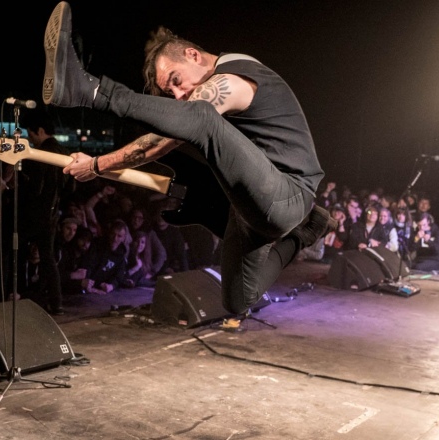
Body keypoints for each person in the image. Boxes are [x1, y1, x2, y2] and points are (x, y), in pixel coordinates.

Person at [41, 2, 332, 315]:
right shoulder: (207, 99)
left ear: (193, 55)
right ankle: (305, 232)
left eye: (176, 81)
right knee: (238, 299)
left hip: (287, 192)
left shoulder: (232, 79)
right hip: (254, 204)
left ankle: (87, 90)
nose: (179, 95)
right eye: (171, 92)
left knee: (202, 118)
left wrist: (100, 155)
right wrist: (98, 165)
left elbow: (180, 130)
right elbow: (158, 141)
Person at [17, 108, 72, 315]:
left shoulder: (40, 154)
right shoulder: (64, 151)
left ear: (39, 130)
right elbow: (70, 187)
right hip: (53, 213)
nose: (30, 140)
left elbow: (35, 188)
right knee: (48, 258)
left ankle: (20, 294)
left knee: (19, 251)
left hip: (36, 212)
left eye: (30, 135)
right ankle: (56, 302)